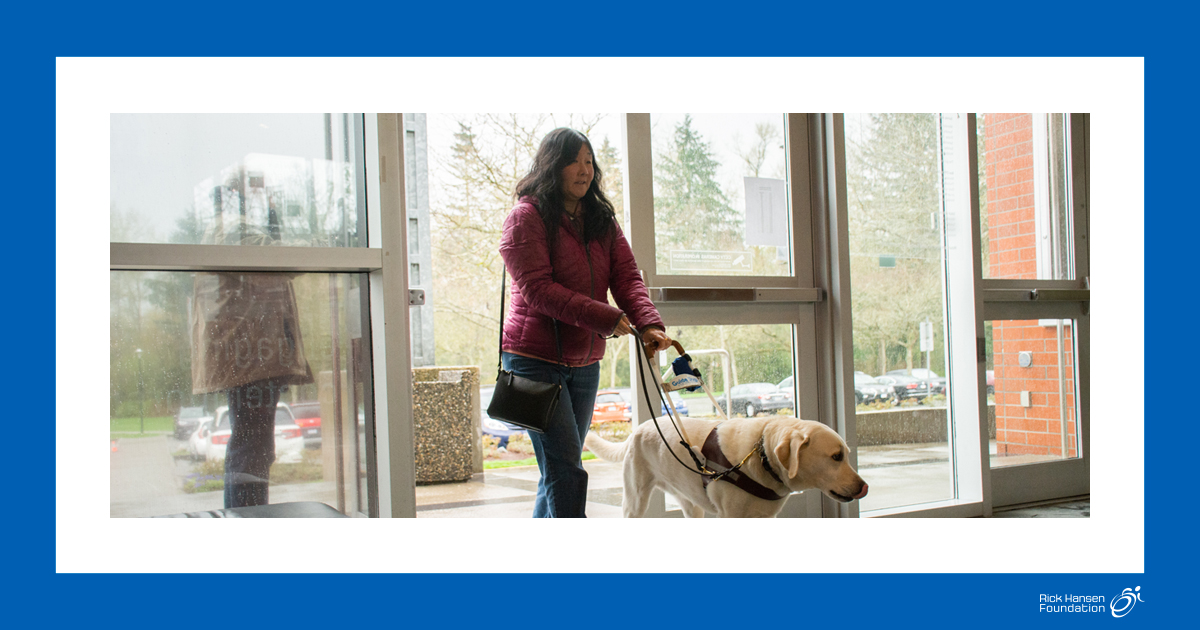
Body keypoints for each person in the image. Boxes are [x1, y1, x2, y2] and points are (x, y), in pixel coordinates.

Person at [499, 127, 672, 518]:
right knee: (566, 472)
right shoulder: (525, 217)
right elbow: (538, 290)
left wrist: (647, 323)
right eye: (573, 161)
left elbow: (627, 277)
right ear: (551, 166)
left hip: (583, 362)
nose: (584, 170)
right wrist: (607, 318)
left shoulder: (600, 219)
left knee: (559, 472)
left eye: (589, 161)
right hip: (533, 361)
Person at [191, 174, 314, 509]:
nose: (260, 193)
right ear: (235, 195)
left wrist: (271, 212)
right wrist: (323, 247)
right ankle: (246, 520)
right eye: (251, 190)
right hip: (250, 357)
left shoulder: (233, 227)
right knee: (251, 448)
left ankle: (247, 517)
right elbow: (279, 259)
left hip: (252, 355)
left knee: (254, 447)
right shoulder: (232, 227)